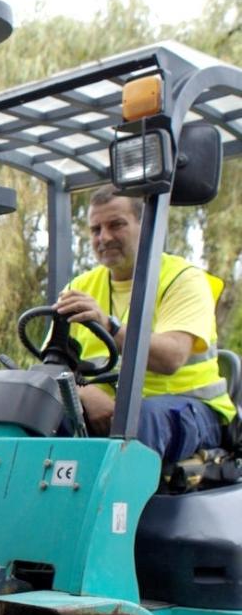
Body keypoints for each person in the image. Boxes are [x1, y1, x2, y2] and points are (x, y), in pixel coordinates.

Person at [53, 185, 236, 463]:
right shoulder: (79, 287)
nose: (104, 237)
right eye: (95, 229)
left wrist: (109, 326)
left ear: (146, 225)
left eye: (116, 225)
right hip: (111, 412)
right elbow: (51, 366)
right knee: (41, 413)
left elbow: (171, 357)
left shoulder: (182, 278)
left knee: (138, 421)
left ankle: (118, 507)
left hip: (191, 409)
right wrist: (85, 393)